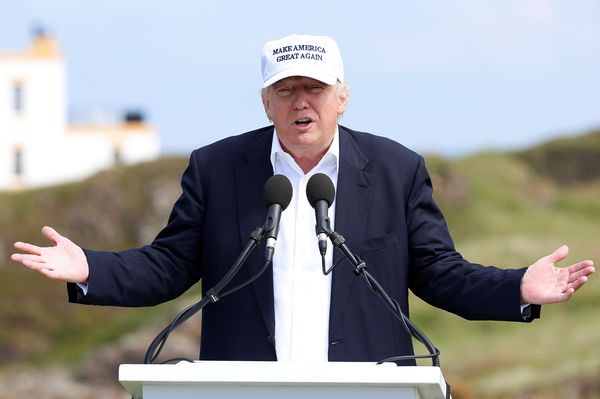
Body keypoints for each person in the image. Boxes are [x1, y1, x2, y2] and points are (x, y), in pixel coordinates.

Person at [11, 34, 594, 363]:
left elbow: (439, 274)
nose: (300, 103)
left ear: (342, 97)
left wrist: (517, 286)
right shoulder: (217, 169)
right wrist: (91, 268)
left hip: (365, 386)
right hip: (247, 388)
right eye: (284, 90)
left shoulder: (395, 170)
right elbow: (168, 267)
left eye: (313, 88)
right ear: (265, 103)